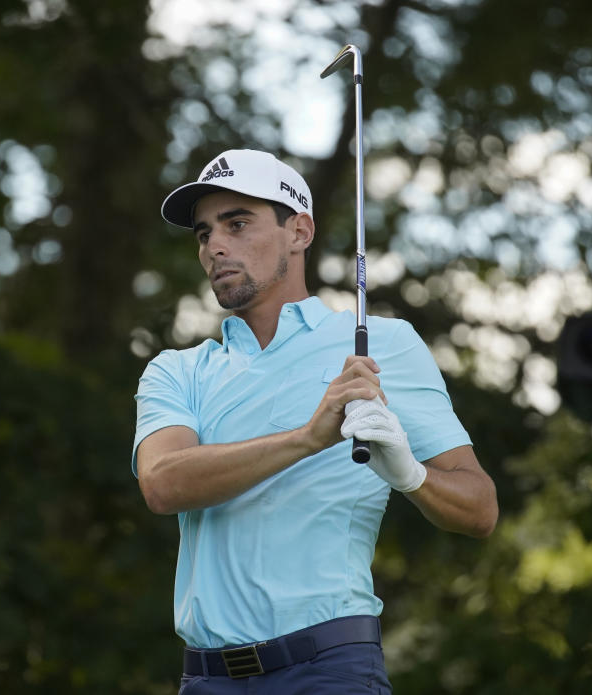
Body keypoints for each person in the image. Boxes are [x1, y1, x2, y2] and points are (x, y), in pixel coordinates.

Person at [132, 149, 497, 694]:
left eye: (237, 223)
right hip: (206, 678)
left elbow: (479, 509)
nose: (215, 247)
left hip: (329, 670)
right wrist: (308, 438)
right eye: (205, 233)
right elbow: (163, 484)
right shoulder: (178, 370)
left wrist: (409, 475)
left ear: (298, 231)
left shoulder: (379, 345)